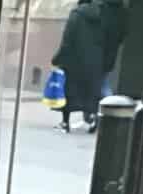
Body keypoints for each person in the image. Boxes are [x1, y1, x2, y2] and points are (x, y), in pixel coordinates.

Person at [53, 0, 106, 131]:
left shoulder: (76, 15)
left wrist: (58, 57)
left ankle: (65, 122)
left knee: (69, 92)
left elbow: (67, 39)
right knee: (90, 91)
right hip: (94, 60)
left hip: (74, 60)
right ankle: (92, 119)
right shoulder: (101, 15)